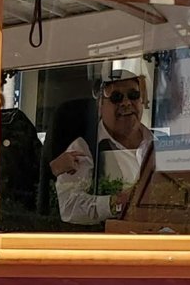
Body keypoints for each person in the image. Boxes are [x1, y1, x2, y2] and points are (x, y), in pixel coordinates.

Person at [48, 59, 158, 226]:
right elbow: (69, 207)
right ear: (100, 105)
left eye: (133, 95)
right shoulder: (85, 147)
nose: (126, 103)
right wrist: (115, 203)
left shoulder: (158, 145)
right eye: (116, 97)